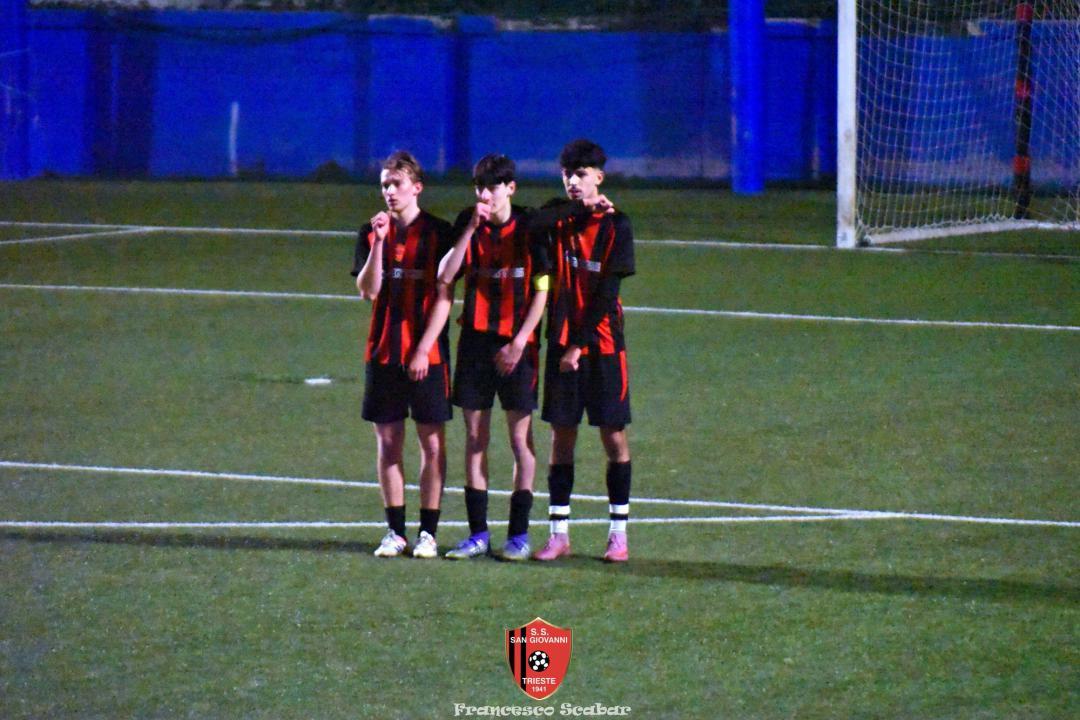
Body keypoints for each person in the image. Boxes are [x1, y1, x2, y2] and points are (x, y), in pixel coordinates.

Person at [436, 154, 551, 561]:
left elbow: (542, 289)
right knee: (475, 438)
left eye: (493, 187)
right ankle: (478, 534)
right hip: (475, 344)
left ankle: (519, 534)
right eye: (480, 187)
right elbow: (446, 275)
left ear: (510, 188)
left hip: (519, 346)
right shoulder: (469, 222)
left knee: (520, 439)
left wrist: (520, 342)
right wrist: (470, 228)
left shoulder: (531, 227)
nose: (485, 195)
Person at [529, 139, 635, 563]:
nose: (573, 181)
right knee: (562, 437)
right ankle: (559, 534)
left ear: (599, 177)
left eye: (581, 174)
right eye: (567, 175)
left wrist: (578, 345)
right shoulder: (559, 218)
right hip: (561, 346)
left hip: (603, 347)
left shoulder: (617, 225)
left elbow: (608, 294)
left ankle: (618, 534)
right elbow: (530, 224)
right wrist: (579, 207)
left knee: (614, 437)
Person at [351, 150, 454, 559]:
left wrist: (424, 348)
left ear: (417, 187)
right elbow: (369, 290)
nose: (389, 192)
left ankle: (428, 533)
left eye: (396, 184)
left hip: (428, 356)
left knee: (432, 445)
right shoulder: (371, 231)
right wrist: (378, 244)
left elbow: (445, 295)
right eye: (384, 185)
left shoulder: (439, 233)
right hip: (383, 353)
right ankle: (395, 532)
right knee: (389, 443)